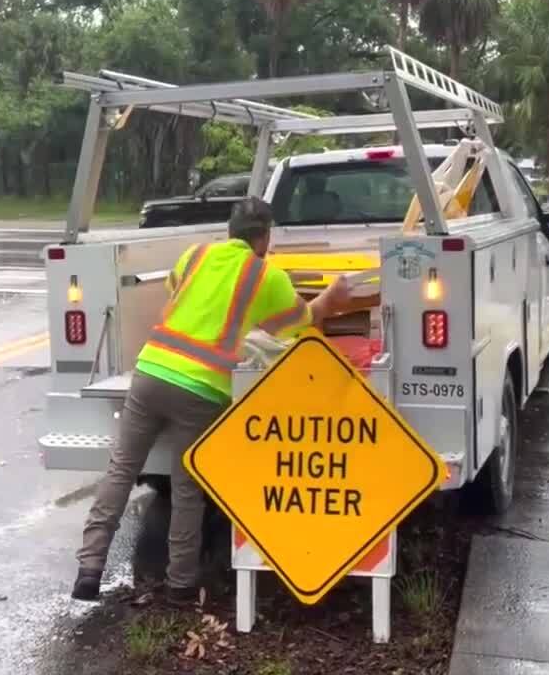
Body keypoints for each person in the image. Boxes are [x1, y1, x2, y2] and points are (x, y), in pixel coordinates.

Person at [72, 197, 351, 604]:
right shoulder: (265, 275)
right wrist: (330, 299)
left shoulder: (194, 255)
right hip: (201, 389)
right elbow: (296, 326)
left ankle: (89, 570)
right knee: (188, 489)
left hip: (150, 371)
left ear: (229, 230)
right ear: (265, 237)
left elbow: (178, 291)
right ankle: (181, 585)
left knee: (120, 471)